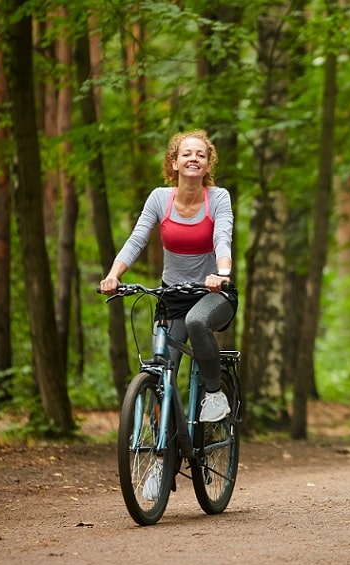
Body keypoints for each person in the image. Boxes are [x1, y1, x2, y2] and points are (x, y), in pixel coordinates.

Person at [100, 129, 238, 498]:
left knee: (196, 322)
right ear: (174, 162)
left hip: (213, 293)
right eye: (186, 154)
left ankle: (213, 395)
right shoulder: (160, 198)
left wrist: (222, 274)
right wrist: (114, 276)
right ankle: (161, 460)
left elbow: (223, 237)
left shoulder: (218, 198)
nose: (193, 159)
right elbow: (137, 239)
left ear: (208, 164)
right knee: (161, 372)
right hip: (172, 296)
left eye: (201, 155)